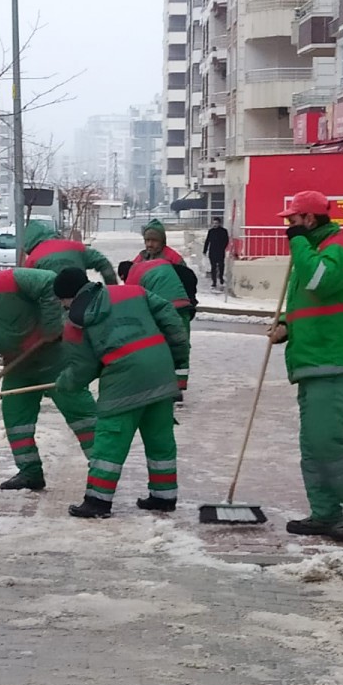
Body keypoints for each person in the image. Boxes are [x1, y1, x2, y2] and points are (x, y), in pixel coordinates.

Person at [268, 190, 343, 541]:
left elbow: (319, 280)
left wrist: (298, 244)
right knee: (312, 445)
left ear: (310, 220)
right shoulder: (315, 251)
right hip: (312, 360)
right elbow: (309, 301)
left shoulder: (337, 249)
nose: (288, 226)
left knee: (326, 441)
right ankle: (325, 512)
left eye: (293, 220)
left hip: (333, 360)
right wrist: (287, 322)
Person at [0, 270, 98, 491]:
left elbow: (49, 282)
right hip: (19, 367)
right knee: (16, 420)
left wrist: (51, 325)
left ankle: (102, 468)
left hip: (56, 358)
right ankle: (30, 472)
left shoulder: (5, 283)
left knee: (81, 414)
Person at [53, 269, 189, 519]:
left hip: (124, 380)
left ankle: (97, 502)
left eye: (62, 300)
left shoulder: (76, 321)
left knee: (110, 440)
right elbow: (171, 318)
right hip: (160, 372)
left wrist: (64, 383)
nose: (62, 306)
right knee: (159, 438)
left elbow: (83, 368)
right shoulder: (133, 292)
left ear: (68, 297)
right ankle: (164, 496)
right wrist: (178, 358)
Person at [128, 219, 192, 396]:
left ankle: (179, 385)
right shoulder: (141, 258)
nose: (150, 244)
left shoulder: (173, 258)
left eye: (154, 240)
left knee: (179, 344)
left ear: (162, 241)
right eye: (147, 240)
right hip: (153, 309)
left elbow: (187, 281)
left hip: (176, 307)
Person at [19, 219, 119, 285]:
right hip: (81, 298)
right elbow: (102, 261)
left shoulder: (32, 259)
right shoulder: (76, 247)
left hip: (52, 305)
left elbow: (28, 289)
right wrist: (111, 287)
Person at [203, 217, 230, 290]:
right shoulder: (211, 231)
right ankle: (214, 282)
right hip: (212, 251)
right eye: (214, 223)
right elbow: (207, 241)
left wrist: (223, 247)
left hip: (220, 251)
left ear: (219, 223)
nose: (215, 225)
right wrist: (205, 250)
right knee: (213, 267)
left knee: (221, 266)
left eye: (216, 223)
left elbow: (226, 240)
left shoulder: (224, 231)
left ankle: (221, 278)